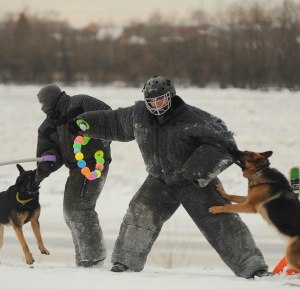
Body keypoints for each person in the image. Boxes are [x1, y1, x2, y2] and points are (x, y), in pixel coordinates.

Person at [68, 76, 271, 278]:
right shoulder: (139, 115)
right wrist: (84, 123)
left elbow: (224, 143)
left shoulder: (194, 119)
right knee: (138, 215)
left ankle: (253, 268)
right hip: (159, 180)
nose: (156, 106)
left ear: (171, 96)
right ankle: (125, 264)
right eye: (151, 102)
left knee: (222, 223)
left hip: (193, 182)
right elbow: (114, 122)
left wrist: (197, 171)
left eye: (161, 100)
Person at [35, 84, 111, 267]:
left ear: (52, 98)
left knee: (79, 208)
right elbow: (49, 151)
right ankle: (84, 259)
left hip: (96, 161)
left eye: (43, 102)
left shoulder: (80, 102)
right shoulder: (47, 126)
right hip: (77, 168)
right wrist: (46, 164)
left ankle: (94, 258)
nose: (42, 107)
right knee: (69, 212)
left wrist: (88, 128)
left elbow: (109, 117)